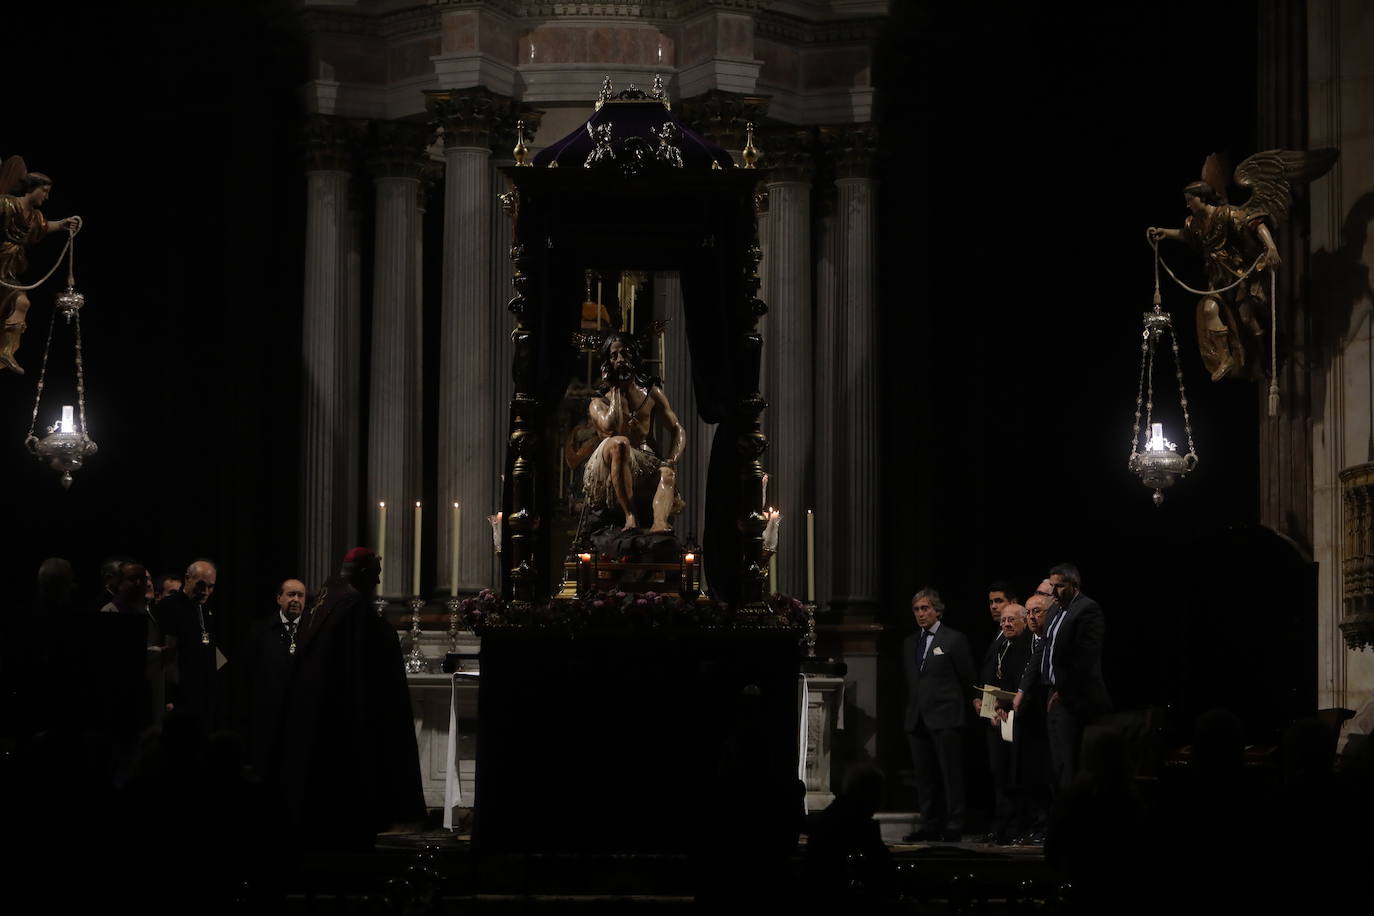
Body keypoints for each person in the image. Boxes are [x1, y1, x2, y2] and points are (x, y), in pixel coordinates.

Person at [279, 548, 424, 850]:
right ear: (363, 573)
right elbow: (361, 664)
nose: (380, 578)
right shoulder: (352, 606)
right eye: (375, 572)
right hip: (345, 715)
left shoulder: (328, 597)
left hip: (319, 709)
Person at [1019, 563, 1110, 789]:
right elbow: (1041, 649)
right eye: (1053, 586)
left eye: (1060, 586)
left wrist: (1063, 691)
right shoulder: (1055, 612)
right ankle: (1062, 816)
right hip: (1054, 695)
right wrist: (1022, 690)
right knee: (1058, 764)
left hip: (1075, 699)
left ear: (1074, 585)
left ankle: (1076, 818)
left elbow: (1086, 658)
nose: (1055, 592)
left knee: (1072, 765)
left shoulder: (1087, 609)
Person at [583, 332, 685, 532]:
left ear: (635, 358)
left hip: (645, 460)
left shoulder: (652, 393)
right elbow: (611, 427)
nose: (620, 360)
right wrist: (615, 388)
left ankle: (659, 524)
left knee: (666, 474)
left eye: (625, 354)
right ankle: (630, 517)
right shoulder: (599, 402)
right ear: (607, 364)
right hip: (608, 461)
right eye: (614, 356)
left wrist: (672, 458)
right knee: (620, 443)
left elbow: (677, 428)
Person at [901, 588, 976, 842]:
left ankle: (955, 822)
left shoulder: (954, 639)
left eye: (925, 608)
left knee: (950, 774)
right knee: (924, 777)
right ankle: (930, 823)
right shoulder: (910, 642)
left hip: (946, 717)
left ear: (938, 610)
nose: (921, 614)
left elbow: (967, 678)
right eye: (917, 609)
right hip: (918, 718)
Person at [0, 166, 82, 374]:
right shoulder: (6, 203)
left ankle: (7, 352)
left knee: (22, 303)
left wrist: (63, 224)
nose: (46, 197)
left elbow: (44, 227)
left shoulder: (35, 216)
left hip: (8, 271)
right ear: (32, 187)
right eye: (44, 191)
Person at [976, 602, 1032, 844]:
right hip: (995, 718)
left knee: (1015, 774)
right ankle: (1000, 826)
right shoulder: (1000, 645)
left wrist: (1004, 707)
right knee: (998, 773)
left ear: (1023, 622)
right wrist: (983, 703)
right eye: (1004, 621)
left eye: (1012, 620)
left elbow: (1022, 685)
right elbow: (989, 678)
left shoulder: (1028, 647)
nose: (1006, 624)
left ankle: (1016, 827)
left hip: (1016, 718)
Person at [240, 578, 305, 782]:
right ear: (279, 598)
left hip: (299, 717)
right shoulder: (260, 630)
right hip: (267, 716)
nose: (295, 599)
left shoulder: (312, 631)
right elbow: (247, 673)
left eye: (300, 595)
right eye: (290, 594)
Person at [158, 559, 221, 729]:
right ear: (187, 579)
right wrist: (168, 696)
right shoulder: (168, 607)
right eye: (201, 585)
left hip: (203, 697)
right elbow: (167, 655)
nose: (205, 591)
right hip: (180, 697)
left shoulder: (206, 610)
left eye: (211, 587)